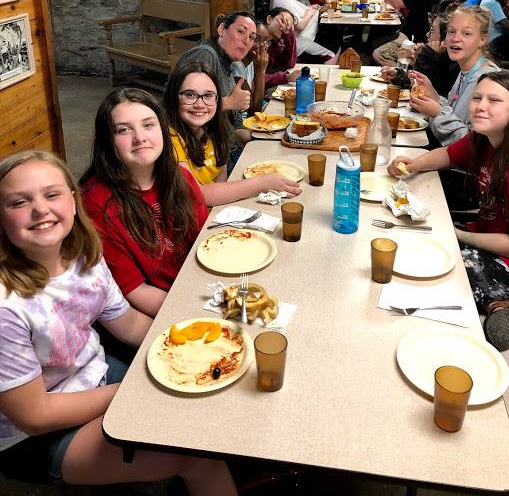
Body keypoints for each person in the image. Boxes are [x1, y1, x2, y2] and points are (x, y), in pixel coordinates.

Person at [0, 151, 235, 493]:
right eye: (19, 201)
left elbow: (127, 324)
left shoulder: (82, 256)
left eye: (52, 194)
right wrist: (134, 391)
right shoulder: (6, 307)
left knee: (207, 400)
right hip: (35, 436)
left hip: (97, 375)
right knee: (198, 455)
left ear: (72, 199)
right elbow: (35, 416)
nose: (40, 209)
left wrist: (198, 344)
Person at [388, 71, 509, 353]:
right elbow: (449, 155)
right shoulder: (483, 139)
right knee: (417, 235)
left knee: (441, 274)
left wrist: (459, 236)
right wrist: (415, 164)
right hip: (489, 233)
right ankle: (496, 304)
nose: (480, 105)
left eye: (494, 100)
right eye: (477, 97)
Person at [81, 89, 207, 317]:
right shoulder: (97, 204)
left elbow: (205, 245)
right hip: (156, 314)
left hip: (197, 290)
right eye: (123, 130)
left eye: (148, 125)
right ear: (107, 141)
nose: (139, 137)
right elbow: (136, 291)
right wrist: (198, 313)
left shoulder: (180, 177)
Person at [163, 62, 301, 205]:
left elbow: (221, 180)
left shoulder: (213, 129)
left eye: (208, 95)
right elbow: (196, 195)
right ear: (174, 97)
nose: (200, 104)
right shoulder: (169, 137)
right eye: (190, 95)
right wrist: (261, 183)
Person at [408, 5, 499, 146]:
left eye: (466, 33)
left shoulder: (489, 82)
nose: (455, 38)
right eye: (451, 31)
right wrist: (434, 97)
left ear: (483, 39)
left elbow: (477, 147)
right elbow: (455, 115)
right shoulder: (466, 71)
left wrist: (438, 114)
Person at [173, 11, 257, 123]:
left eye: (252, 37)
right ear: (221, 29)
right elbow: (178, 105)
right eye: (241, 31)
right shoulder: (205, 55)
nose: (246, 41)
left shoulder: (227, 60)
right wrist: (230, 102)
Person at [379, 0, 459, 98]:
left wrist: (424, 57)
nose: (427, 35)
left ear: (444, 38)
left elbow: (422, 93)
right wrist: (398, 76)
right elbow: (418, 82)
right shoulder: (441, 58)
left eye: (432, 30)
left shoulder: (455, 66)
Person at [270, 0, 338, 63]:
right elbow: (300, 26)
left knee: (333, 39)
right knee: (331, 53)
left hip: (298, 38)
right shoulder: (283, 0)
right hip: (299, 40)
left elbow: (297, 10)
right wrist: (309, 13)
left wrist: (310, 8)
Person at [263, 7, 298, 87]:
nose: (284, 27)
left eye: (289, 26)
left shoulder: (274, 43)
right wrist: (286, 77)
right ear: (269, 19)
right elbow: (255, 79)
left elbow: (289, 64)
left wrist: (289, 35)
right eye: (282, 21)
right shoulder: (257, 42)